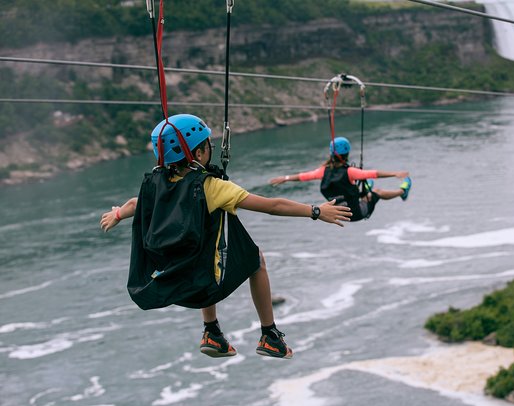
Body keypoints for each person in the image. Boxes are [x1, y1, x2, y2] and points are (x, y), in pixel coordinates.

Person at [100, 114, 351, 360]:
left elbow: (135, 203)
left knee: (202, 250)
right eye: (207, 145)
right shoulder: (212, 187)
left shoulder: (155, 184)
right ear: (198, 154)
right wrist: (316, 211)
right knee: (256, 258)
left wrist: (118, 214)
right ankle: (270, 335)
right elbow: (272, 205)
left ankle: (212, 332)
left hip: (171, 281)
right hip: (205, 285)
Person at [269, 136, 412, 221]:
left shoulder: (323, 171)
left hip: (340, 213)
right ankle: (403, 191)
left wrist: (286, 178)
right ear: (347, 154)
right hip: (356, 213)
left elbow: (303, 176)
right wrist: (395, 173)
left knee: (366, 185)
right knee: (377, 192)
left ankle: (367, 190)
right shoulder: (350, 172)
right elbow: (373, 173)